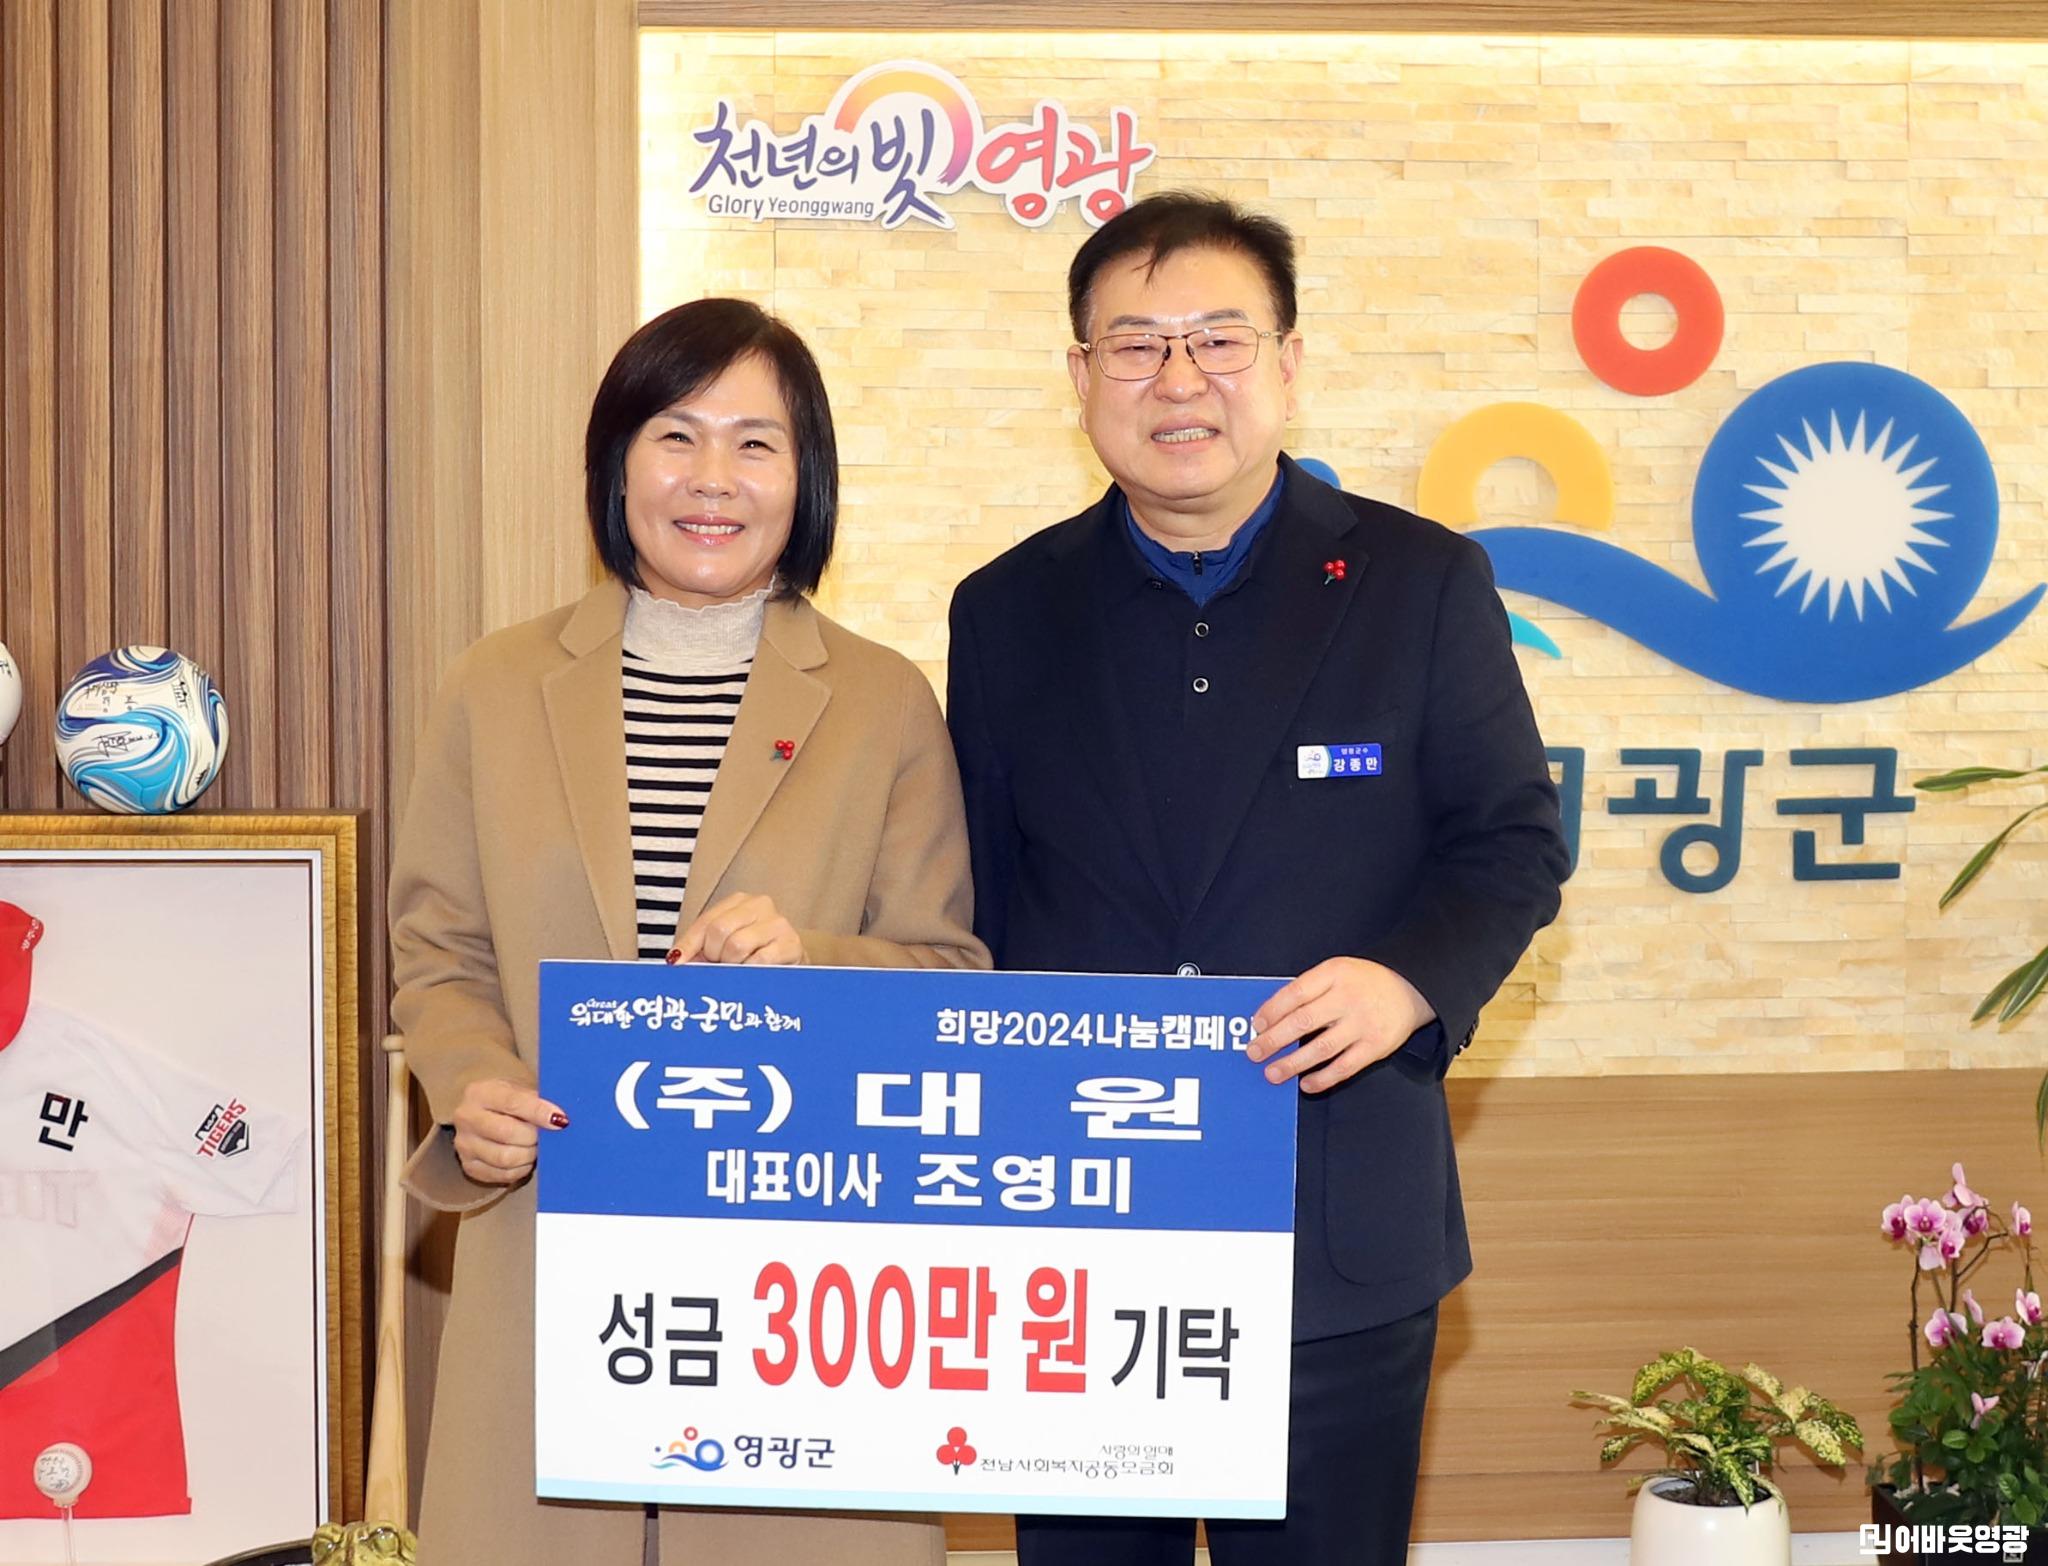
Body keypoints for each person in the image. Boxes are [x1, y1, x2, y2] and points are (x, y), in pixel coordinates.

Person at [947, 193, 1570, 1566]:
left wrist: (1406, 983)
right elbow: (977, 900)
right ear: (1079, 376)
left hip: (1334, 1230)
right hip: (1078, 1234)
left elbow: (1512, 838)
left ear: (1287, 363)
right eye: (1135, 345)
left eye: (1218, 340)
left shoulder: (1418, 581)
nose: (1178, 379)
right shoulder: (1002, 610)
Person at [390, 297, 986, 1566]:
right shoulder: (494, 685)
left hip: (802, 1289)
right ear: (616, 466)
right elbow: (439, 951)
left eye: (755, 443)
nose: (712, 477)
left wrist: (812, 958)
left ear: (805, 480)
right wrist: (473, 1084)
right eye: (675, 435)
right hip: (549, 1241)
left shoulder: (881, 701)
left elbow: (943, 972)